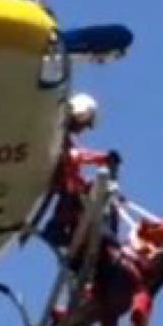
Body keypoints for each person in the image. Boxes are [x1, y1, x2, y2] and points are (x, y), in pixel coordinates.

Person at [30, 93, 118, 250]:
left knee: (80, 190)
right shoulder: (55, 130)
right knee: (74, 192)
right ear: (81, 114)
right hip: (49, 171)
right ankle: (57, 229)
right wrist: (103, 158)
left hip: (55, 177)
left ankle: (71, 230)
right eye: (84, 124)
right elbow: (74, 157)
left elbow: (73, 158)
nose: (82, 130)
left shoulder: (63, 135)